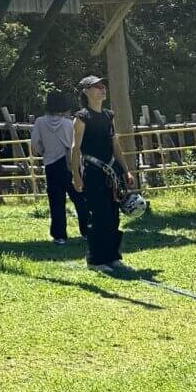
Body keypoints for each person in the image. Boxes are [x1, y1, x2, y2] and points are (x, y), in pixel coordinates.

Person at [70, 75, 132, 270]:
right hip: (93, 171)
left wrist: (126, 170)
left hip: (112, 172)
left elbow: (115, 144)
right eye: (96, 87)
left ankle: (113, 256)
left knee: (113, 214)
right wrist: (76, 175)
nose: (102, 89)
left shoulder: (108, 116)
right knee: (98, 215)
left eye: (102, 85)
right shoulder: (82, 117)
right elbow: (75, 148)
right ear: (86, 92)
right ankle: (96, 260)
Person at [31, 90, 88, 245]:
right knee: (80, 198)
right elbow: (77, 145)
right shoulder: (69, 123)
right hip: (69, 163)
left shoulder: (40, 122)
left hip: (50, 163)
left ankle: (59, 235)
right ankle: (86, 230)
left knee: (56, 201)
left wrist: (44, 151)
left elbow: (35, 143)